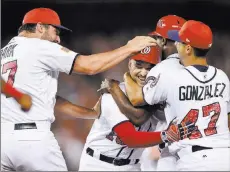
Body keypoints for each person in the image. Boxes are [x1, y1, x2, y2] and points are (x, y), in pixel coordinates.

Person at [0, 7, 156, 171]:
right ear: (40, 27)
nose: (58, 39)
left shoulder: (4, 53)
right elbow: (89, 67)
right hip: (33, 140)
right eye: (55, 31)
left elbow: (50, 100)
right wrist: (128, 48)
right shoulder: (39, 46)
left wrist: (90, 113)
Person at [124, 20, 230, 171]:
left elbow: (137, 99)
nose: (175, 44)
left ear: (188, 48)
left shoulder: (171, 76)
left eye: (179, 42)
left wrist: (126, 76)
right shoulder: (222, 77)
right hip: (224, 156)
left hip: (193, 159)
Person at [78, 46, 194, 171]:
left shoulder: (157, 98)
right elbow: (130, 138)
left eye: (150, 68)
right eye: (138, 66)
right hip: (98, 164)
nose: (144, 73)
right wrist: (166, 135)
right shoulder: (112, 95)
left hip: (133, 165)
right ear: (129, 65)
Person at [102, 15, 187, 171]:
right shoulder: (193, 68)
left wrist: (114, 87)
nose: (156, 42)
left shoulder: (167, 69)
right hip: (197, 147)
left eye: (160, 39)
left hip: (179, 149)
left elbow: (137, 110)